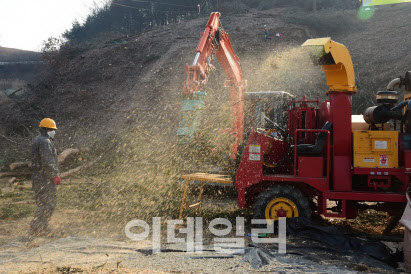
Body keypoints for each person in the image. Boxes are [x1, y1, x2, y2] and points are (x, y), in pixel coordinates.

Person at [30, 118, 61, 236]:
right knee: (48, 203)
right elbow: (47, 161)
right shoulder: (44, 142)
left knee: (44, 203)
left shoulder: (41, 140)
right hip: (44, 178)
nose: (53, 131)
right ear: (44, 130)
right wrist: (54, 175)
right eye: (51, 129)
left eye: (53, 129)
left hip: (40, 177)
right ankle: (36, 228)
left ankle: (42, 227)